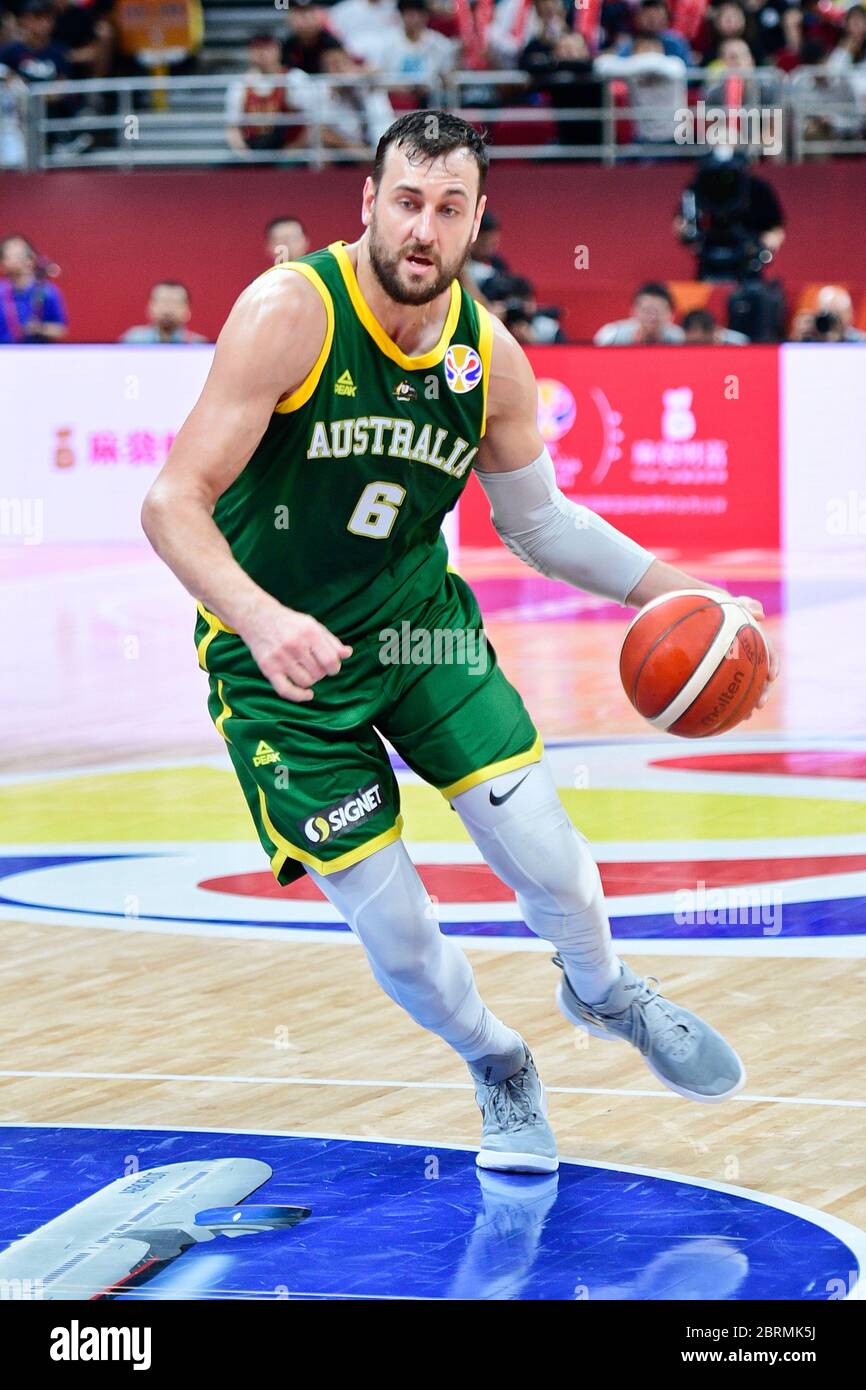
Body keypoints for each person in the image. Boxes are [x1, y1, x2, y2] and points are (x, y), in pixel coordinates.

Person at [141, 111, 778, 1173]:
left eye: (447, 208)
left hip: (419, 638)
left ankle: (603, 987)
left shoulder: (490, 358)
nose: (421, 230)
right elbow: (172, 502)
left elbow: (539, 525)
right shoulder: (287, 313)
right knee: (402, 941)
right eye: (405, 202)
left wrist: (692, 596)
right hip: (276, 673)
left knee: (558, 869)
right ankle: (496, 1062)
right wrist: (260, 614)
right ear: (367, 203)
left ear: (478, 218)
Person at [225, 34, 309, 155]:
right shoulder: (239, 85)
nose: (262, 53)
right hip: (253, 149)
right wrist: (246, 156)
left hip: (289, 149)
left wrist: (292, 151)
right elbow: (232, 128)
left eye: (267, 48)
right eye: (257, 49)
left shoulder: (294, 79)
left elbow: (310, 121)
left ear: (278, 50)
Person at [0, 232, 68, 341]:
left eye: (17, 254)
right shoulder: (1, 291)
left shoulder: (47, 292)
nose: (7, 259)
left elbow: (61, 329)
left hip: (35, 354)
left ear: (30, 259)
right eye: (4, 255)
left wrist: (39, 328)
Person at [595, 281, 684, 344]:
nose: (652, 317)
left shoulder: (678, 338)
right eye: (646, 310)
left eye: (658, 311)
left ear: (671, 314)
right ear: (633, 311)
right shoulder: (612, 336)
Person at [119, 282, 208, 343]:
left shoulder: (198, 344)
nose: (168, 309)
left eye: (175, 302)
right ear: (150, 307)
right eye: (163, 301)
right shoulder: (133, 340)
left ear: (187, 310)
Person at [682, 307, 750, 343]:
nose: (692, 337)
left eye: (694, 330)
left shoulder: (739, 342)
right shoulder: (679, 339)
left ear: (709, 331)